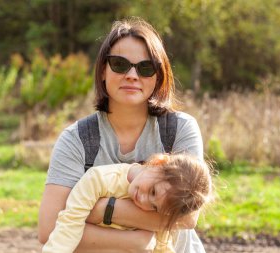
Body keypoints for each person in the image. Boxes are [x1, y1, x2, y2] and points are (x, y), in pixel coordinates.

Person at [38, 16, 206, 252]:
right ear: (103, 70)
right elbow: (48, 230)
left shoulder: (180, 130)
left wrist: (99, 210)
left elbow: (187, 218)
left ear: (159, 76)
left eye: (146, 68)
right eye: (119, 64)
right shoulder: (76, 139)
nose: (132, 75)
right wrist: (138, 241)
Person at [42, 154, 214, 253]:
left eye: (155, 208)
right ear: (159, 163)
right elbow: (70, 222)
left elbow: (163, 247)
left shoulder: (162, 206)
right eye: (153, 191)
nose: (144, 202)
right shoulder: (98, 179)